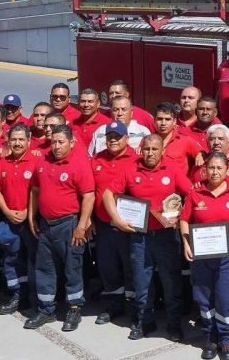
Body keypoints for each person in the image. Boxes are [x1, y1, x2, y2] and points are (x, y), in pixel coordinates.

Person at [109, 134, 193, 341]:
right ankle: (144, 321)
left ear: (162, 151)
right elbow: (108, 193)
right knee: (141, 282)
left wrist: (181, 216)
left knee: (171, 282)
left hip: (166, 237)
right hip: (140, 238)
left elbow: (192, 194)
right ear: (141, 149)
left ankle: (174, 324)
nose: (150, 153)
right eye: (147, 149)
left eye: (155, 149)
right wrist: (117, 220)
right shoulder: (130, 168)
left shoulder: (172, 169)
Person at [25, 124, 95, 332]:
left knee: (72, 268)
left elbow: (89, 196)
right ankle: (46, 309)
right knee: (44, 268)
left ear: (71, 143)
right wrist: (32, 216)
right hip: (46, 225)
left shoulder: (79, 164)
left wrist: (81, 225)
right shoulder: (43, 162)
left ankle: (74, 308)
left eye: (61, 142)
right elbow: (35, 190)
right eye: (53, 142)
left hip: (69, 225)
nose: (56, 146)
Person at [180, 152, 229, 360]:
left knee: (226, 298)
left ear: (227, 170)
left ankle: (227, 341)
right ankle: (210, 338)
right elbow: (184, 219)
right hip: (201, 257)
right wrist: (186, 243)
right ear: (205, 170)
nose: (215, 172)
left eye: (219, 168)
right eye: (211, 168)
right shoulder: (196, 193)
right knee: (204, 297)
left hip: (227, 258)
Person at [90, 122, 137, 326]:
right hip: (104, 225)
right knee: (108, 267)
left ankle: (135, 308)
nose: (113, 140)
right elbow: (89, 192)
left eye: (118, 137)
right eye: (110, 137)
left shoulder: (137, 159)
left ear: (127, 138)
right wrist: (88, 218)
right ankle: (114, 305)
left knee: (131, 267)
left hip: (129, 226)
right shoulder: (97, 159)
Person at [0, 124, 41, 315]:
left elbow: (40, 191)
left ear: (29, 141)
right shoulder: (2, 163)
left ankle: (37, 299)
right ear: (8, 141)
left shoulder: (37, 162)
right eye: (14, 139)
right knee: (12, 260)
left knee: (34, 260)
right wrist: (6, 211)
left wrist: (28, 212)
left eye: (21, 139)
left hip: (32, 221)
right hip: (10, 220)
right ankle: (18, 295)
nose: (17, 143)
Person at [153, 102, 202, 176]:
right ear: (154, 120)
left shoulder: (185, 141)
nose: (163, 123)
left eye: (167, 119)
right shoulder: (148, 141)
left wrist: (196, 178)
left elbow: (207, 158)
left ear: (174, 121)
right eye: (160, 119)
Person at [71, 88, 112, 153]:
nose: (86, 105)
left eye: (90, 101)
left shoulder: (108, 124)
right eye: (83, 101)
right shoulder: (72, 124)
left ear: (98, 104)